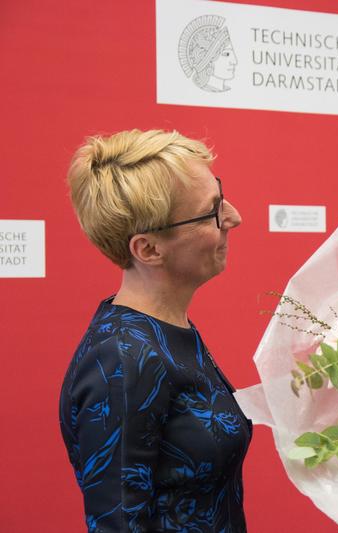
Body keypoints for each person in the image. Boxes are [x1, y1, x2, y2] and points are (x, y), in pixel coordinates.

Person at [59, 129, 250, 532]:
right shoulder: (122, 359)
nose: (233, 217)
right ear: (148, 249)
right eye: (211, 211)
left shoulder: (166, 331)